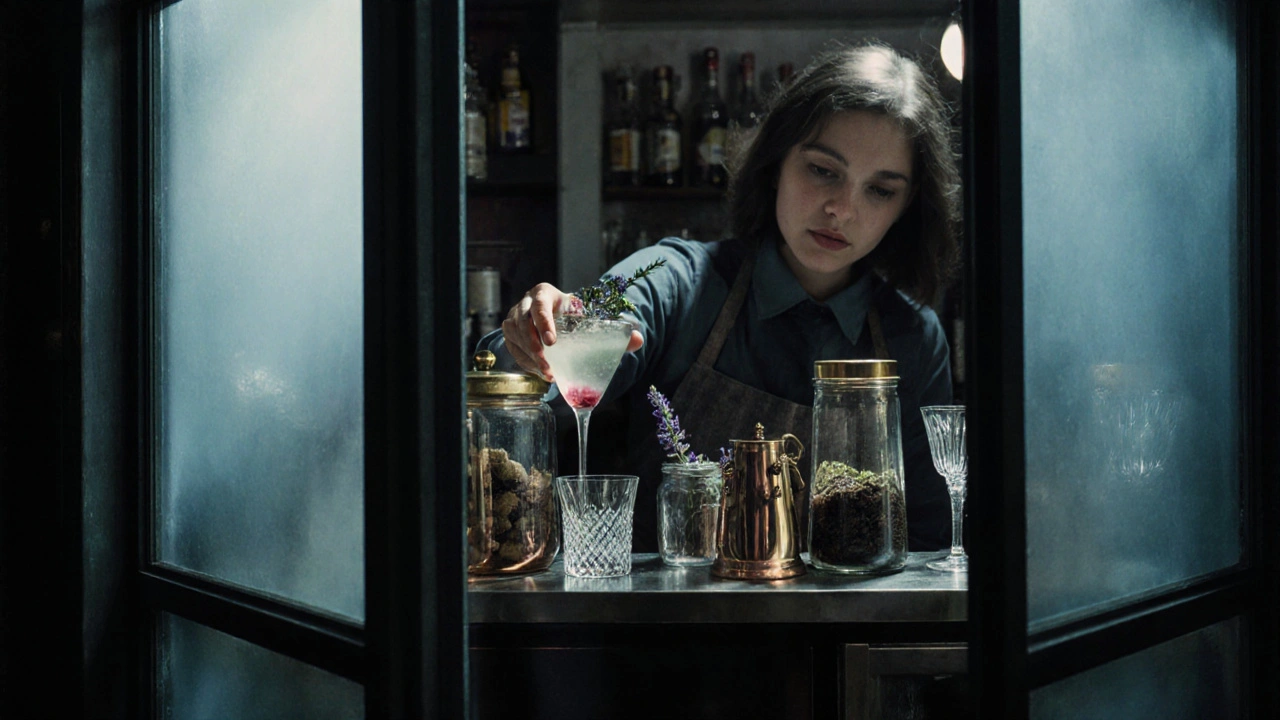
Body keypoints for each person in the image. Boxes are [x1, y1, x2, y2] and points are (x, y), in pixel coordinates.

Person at [482, 42, 961, 552]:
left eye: (880, 190)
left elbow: (929, 542)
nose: (842, 209)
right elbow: (570, 337)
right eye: (823, 170)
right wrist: (536, 338)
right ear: (776, 162)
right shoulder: (679, 280)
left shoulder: (914, 339)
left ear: (907, 205)